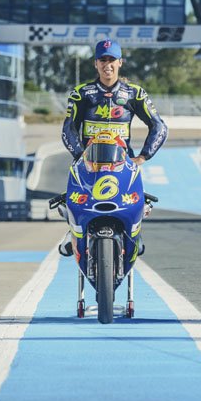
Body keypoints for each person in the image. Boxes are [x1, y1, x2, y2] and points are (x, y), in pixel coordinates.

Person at [57, 39, 168, 256]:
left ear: (120, 63)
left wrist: (143, 157)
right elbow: (68, 128)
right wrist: (80, 156)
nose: (107, 65)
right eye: (103, 60)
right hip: (88, 162)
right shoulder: (81, 93)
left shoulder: (135, 93)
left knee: (133, 203)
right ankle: (73, 232)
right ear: (96, 63)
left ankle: (133, 231)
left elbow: (159, 126)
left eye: (112, 60)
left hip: (123, 163)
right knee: (76, 201)